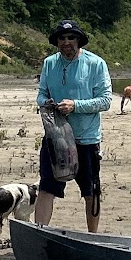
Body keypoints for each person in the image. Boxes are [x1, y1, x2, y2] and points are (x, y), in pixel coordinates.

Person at [34, 18, 112, 233]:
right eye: (62, 38)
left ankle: (93, 237)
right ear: (57, 42)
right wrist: (46, 103)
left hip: (86, 139)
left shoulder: (96, 63)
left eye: (71, 38)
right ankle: (39, 232)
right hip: (56, 138)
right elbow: (41, 94)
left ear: (79, 40)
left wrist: (75, 105)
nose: (66, 42)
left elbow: (106, 101)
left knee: (91, 191)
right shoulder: (50, 63)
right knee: (47, 187)